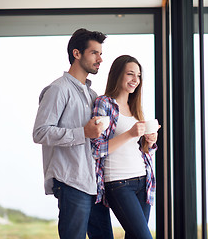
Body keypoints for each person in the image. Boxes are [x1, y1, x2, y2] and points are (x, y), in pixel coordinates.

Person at [33, 28, 113, 239]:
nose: (100, 59)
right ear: (77, 54)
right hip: (71, 182)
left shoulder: (93, 94)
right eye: (94, 53)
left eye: (101, 54)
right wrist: (83, 133)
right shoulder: (58, 90)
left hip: (94, 184)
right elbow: (40, 133)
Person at [91, 55, 158, 239]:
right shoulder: (104, 103)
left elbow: (140, 149)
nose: (135, 80)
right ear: (117, 74)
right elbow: (96, 149)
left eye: (138, 75)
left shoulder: (134, 107)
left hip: (143, 180)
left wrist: (150, 142)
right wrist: (130, 133)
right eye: (130, 74)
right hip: (118, 182)